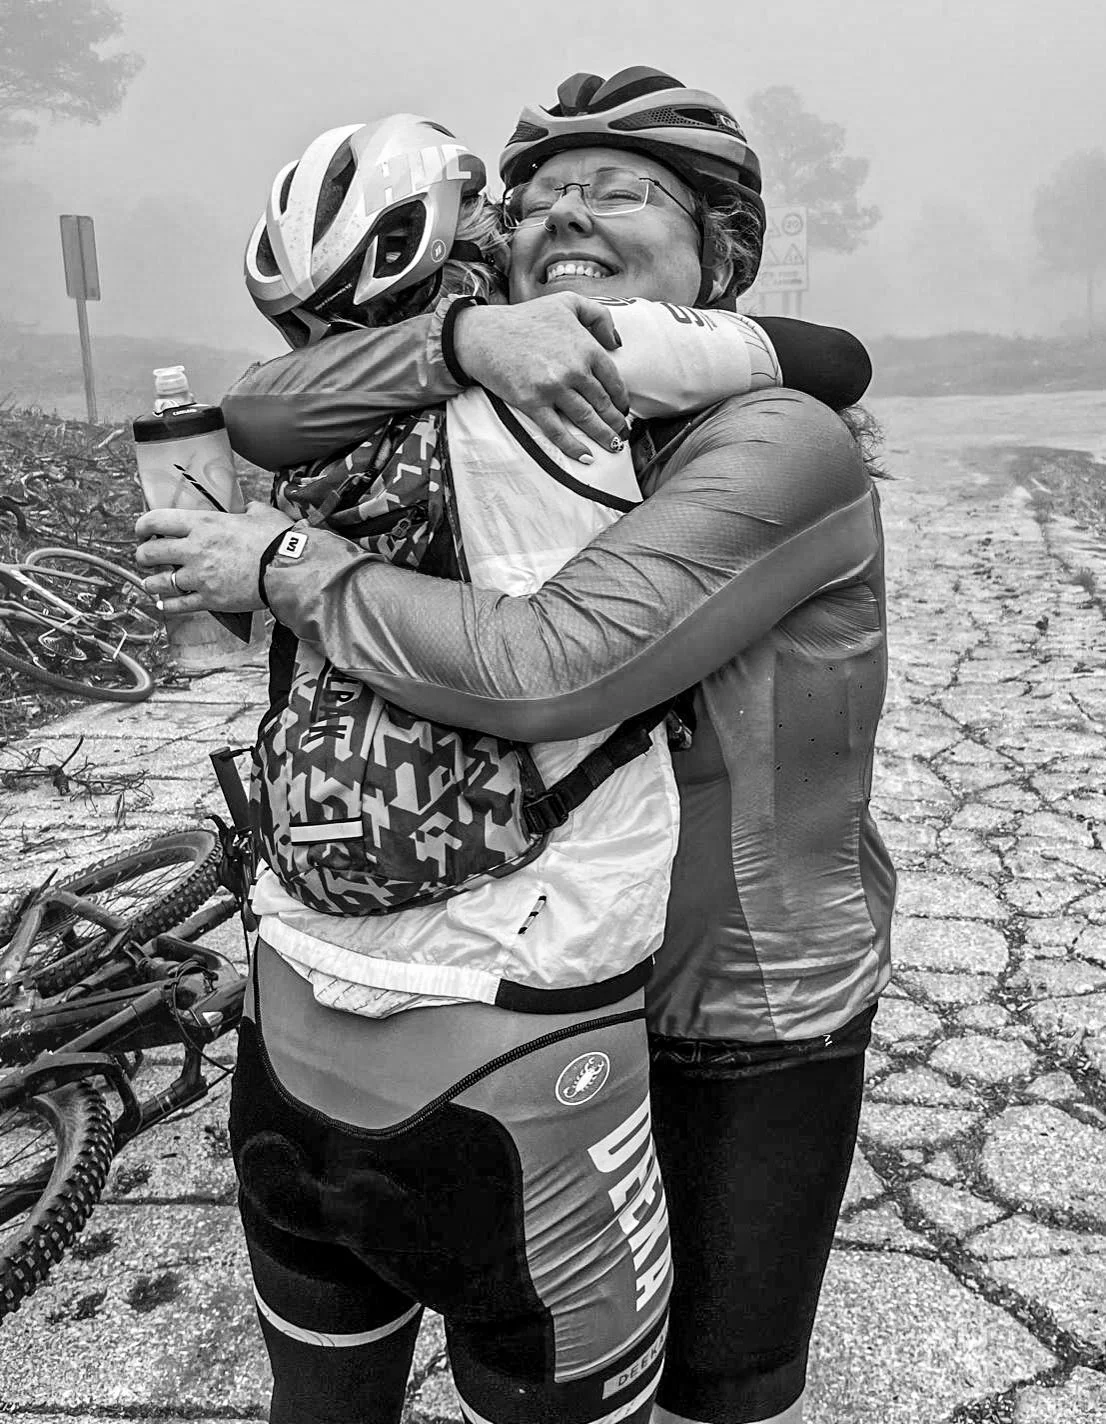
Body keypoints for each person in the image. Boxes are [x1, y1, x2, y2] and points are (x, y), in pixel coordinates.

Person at [138, 67, 894, 1424]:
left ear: (720, 250)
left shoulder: (774, 437)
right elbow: (261, 405)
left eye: (624, 194)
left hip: (735, 1005)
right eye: (543, 202)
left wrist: (289, 565)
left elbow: (554, 668)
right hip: (550, 981)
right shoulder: (519, 407)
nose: (573, 218)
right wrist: (460, 344)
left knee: (713, 1391)